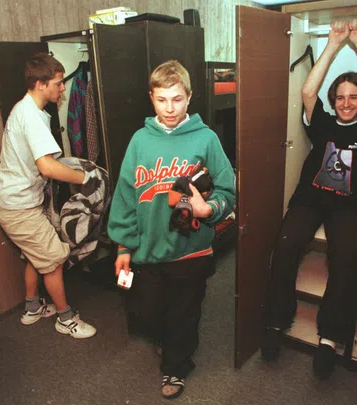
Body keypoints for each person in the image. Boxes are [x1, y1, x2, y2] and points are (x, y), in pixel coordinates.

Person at [107, 60, 236, 400]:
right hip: (147, 250)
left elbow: (228, 190)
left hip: (191, 249)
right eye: (162, 99)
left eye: (177, 99)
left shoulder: (206, 139)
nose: (169, 108)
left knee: (184, 313)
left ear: (189, 97)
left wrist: (209, 209)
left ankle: (176, 367)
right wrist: (123, 247)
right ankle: (168, 340)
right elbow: (125, 196)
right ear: (151, 97)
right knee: (148, 312)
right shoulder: (140, 140)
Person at [261, 19, 357, 379]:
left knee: (347, 257)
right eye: (340, 97)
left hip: (346, 206)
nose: (347, 103)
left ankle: (329, 337)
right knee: (284, 245)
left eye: (353, 97)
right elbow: (308, 91)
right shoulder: (322, 122)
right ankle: (276, 322)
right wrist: (332, 44)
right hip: (309, 199)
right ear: (333, 100)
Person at [0, 52, 96, 339]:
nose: (63, 89)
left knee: (35, 255)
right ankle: (66, 319)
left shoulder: (27, 110)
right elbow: (47, 166)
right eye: (58, 83)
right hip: (18, 207)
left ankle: (33, 307)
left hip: (13, 201)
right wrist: (86, 178)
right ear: (40, 84)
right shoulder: (31, 117)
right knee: (54, 259)